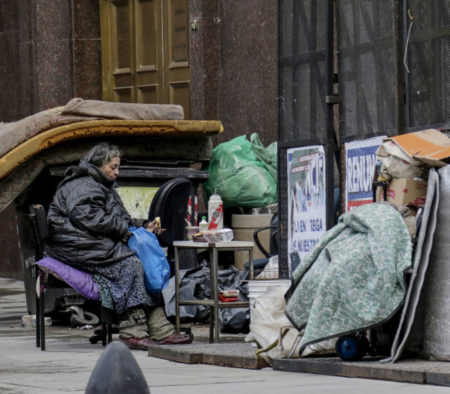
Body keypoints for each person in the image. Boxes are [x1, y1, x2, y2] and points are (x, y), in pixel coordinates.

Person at [45, 142, 192, 350]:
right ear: (97, 165)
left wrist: (142, 226)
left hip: (92, 243)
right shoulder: (82, 185)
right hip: (75, 246)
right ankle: (132, 332)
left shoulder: (103, 185)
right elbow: (88, 217)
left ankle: (160, 329)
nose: (117, 172)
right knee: (130, 266)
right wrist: (124, 230)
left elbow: (119, 218)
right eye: (112, 167)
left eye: (117, 167)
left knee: (143, 262)